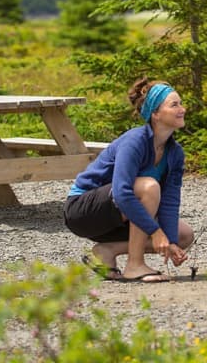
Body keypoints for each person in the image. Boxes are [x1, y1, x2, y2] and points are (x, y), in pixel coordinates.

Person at [64, 77, 194, 282]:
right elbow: (122, 194)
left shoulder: (174, 153)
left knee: (183, 235)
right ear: (156, 114)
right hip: (83, 212)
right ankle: (135, 265)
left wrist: (169, 240)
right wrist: (155, 231)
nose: (183, 109)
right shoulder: (135, 141)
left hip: (118, 216)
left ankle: (106, 251)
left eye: (181, 104)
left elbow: (169, 201)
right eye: (174, 105)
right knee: (149, 187)